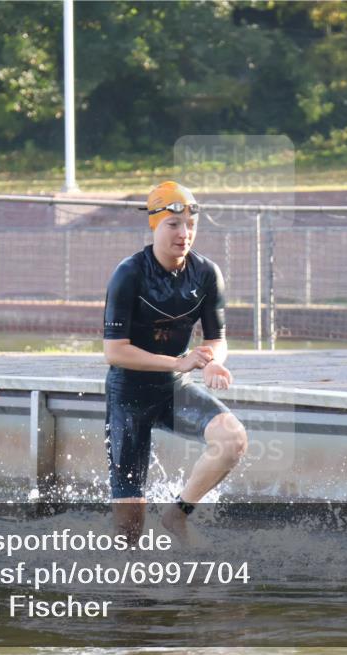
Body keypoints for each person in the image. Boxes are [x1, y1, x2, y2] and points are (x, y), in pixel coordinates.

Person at [102, 181, 247, 541]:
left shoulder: (206, 274)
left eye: (191, 226)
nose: (184, 235)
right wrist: (176, 363)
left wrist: (212, 360)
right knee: (128, 533)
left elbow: (216, 339)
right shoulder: (129, 274)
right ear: (154, 224)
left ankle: (177, 515)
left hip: (173, 390)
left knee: (232, 439)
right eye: (174, 225)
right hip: (129, 396)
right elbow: (115, 351)